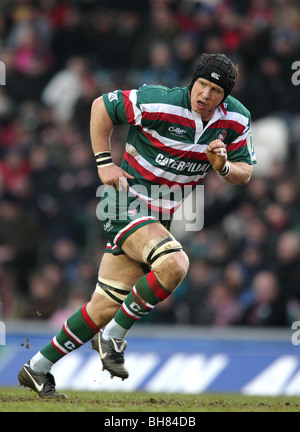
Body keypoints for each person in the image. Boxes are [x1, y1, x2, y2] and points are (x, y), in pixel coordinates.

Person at [18, 53, 256, 398]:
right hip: (121, 203)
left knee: (103, 305)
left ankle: (36, 368)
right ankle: (114, 336)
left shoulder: (236, 119)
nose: (204, 93)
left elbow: (244, 173)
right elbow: (102, 106)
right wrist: (104, 163)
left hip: (157, 218)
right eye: (201, 83)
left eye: (215, 89)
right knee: (175, 263)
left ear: (225, 96)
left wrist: (222, 166)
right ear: (194, 82)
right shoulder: (160, 100)